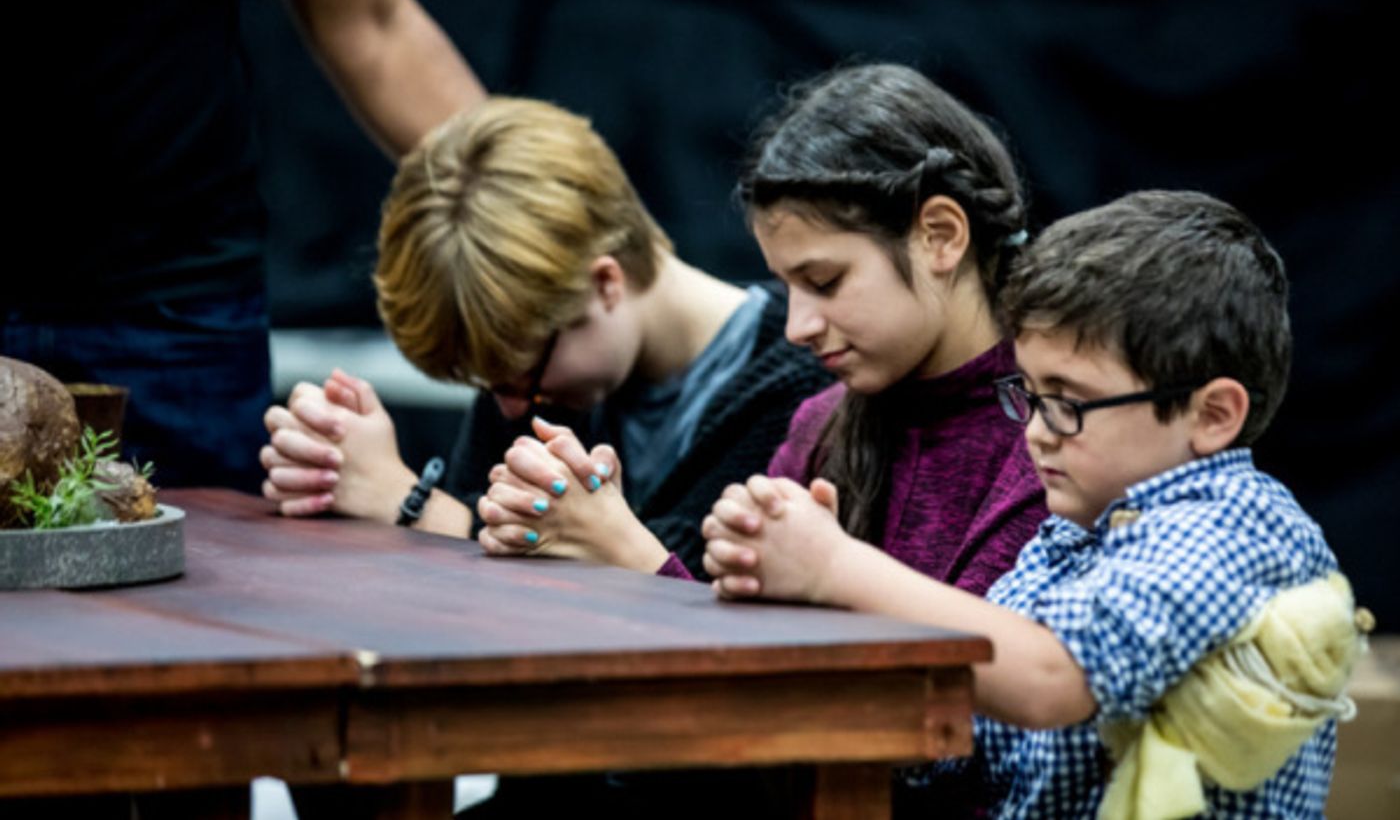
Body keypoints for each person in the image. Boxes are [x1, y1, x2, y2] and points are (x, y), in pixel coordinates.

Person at [703, 190, 1362, 817]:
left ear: (1212, 414)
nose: (1037, 429)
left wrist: (833, 566)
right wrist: (803, 596)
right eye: (1032, 394)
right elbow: (949, 727)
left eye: (1068, 401)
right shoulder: (1067, 541)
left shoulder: (1235, 524)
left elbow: (1053, 675)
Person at [479, 63, 1047, 594]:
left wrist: (622, 547)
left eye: (824, 281)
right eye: (787, 286)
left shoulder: (1057, 432)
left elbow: (979, 682)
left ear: (941, 236)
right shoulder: (819, 427)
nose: (797, 327)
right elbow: (747, 667)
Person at [4, 0, 485, 491]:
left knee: (195, 579)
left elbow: (375, 22)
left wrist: (553, 201)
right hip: (174, 317)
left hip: (171, 316)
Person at [259, 96, 831, 576]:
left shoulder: (806, 376)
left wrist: (406, 505)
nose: (509, 403)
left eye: (520, 374)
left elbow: (685, 574)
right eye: (489, 383)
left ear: (604, 282)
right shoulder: (540, 372)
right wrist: (331, 460)